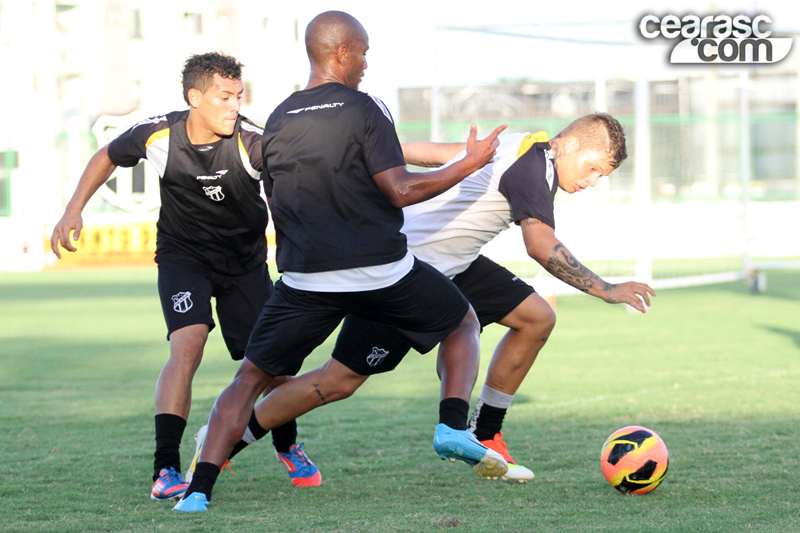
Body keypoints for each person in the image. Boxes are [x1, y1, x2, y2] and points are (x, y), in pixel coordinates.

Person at [183, 113, 656, 485]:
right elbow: (540, 245)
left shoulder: (522, 144)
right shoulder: (536, 166)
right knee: (339, 380)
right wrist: (608, 289)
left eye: (602, 176)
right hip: (408, 269)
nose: (592, 181)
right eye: (593, 168)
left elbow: (436, 154)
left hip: (457, 262)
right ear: (569, 144)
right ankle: (224, 442)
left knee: (535, 318)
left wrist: (377, 152)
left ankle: (485, 432)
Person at [173, 11, 507, 512]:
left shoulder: (280, 116)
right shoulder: (365, 107)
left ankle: (196, 493)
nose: (368, 63)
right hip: (381, 273)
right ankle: (452, 425)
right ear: (342, 53)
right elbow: (399, 190)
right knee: (461, 320)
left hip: (305, 278)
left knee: (249, 380)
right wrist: (467, 163)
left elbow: (278, 194)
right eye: (365, 52)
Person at [49, 52, 320, 500]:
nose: (233, 106)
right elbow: (106, 155)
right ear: (195, 98)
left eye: (238, 96)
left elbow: (290, 196)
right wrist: (73, 209)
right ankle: (166, 470)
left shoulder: (253, 141)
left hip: (245, 263)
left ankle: (288, 446)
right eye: (223, 97)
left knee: (269, 365)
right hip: (184, 257)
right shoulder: (157, 134)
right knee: (187, 346)